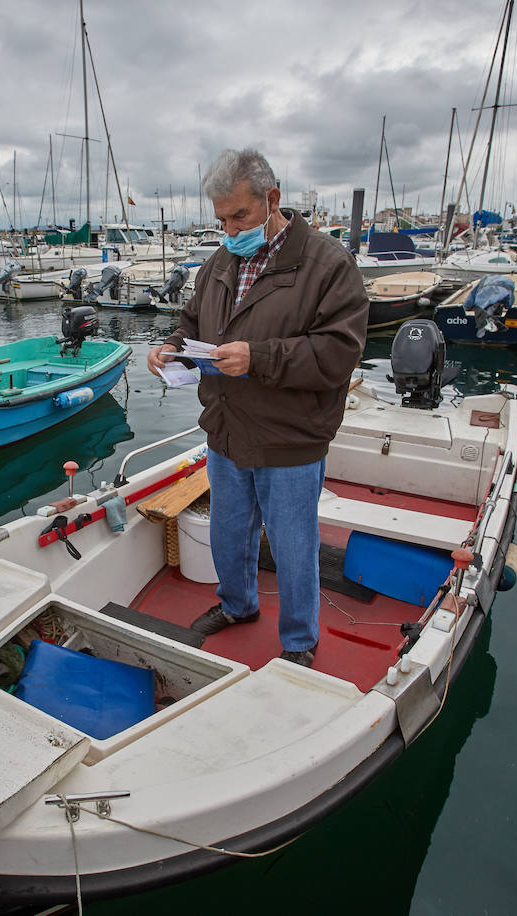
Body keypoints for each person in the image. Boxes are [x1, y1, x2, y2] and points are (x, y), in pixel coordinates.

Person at [147, 149, 367, 668]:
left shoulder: (329, 264)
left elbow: (339, 353)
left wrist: (260, 357)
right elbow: (193, 321)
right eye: (221, 218)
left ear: (272, 200)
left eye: (239, 216)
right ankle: (237, 606)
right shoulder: (218, 263)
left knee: (293, 549)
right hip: (226, 430)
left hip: (290, 437)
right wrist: (171, 345)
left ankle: (298, 642)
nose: (229, 228)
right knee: (228, 535)